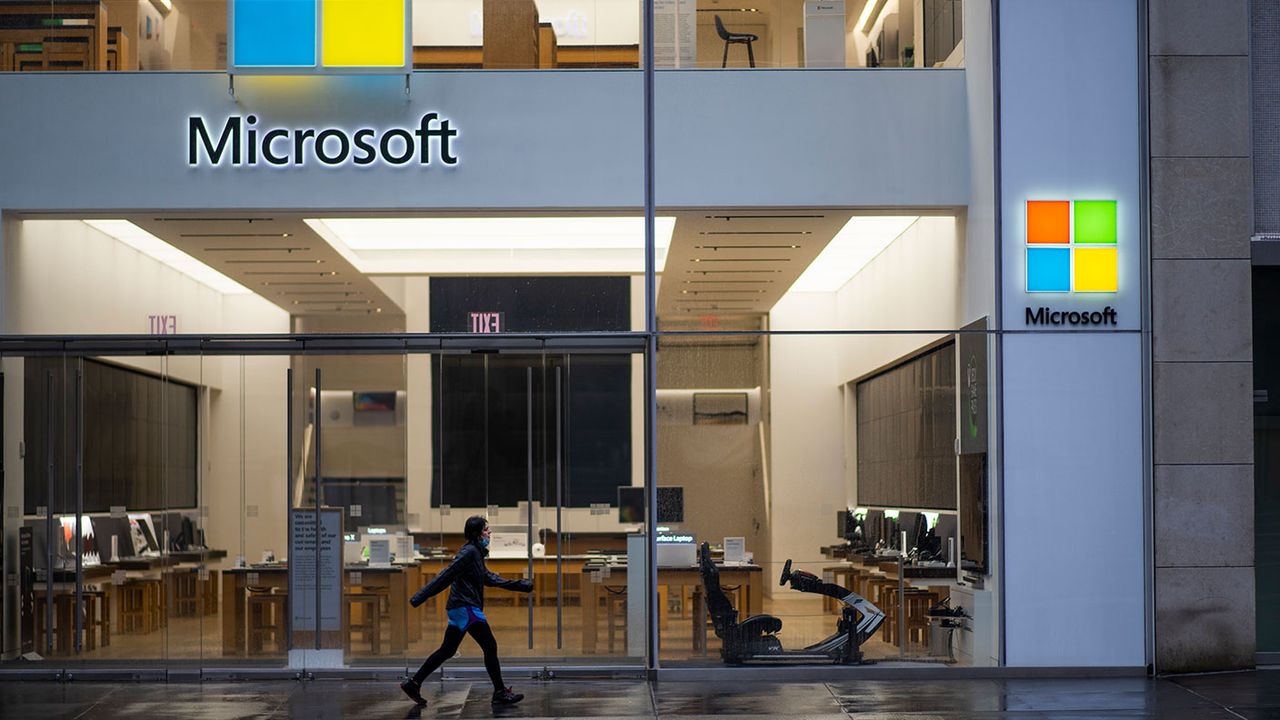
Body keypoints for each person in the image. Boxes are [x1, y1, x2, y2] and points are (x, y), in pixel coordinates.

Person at [400, 515, 533, 707]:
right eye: (486, 530)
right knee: (490, 646)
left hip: (460, 608)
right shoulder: (469, 552)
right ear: (477, 533)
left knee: (447, 650)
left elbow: (488, 577)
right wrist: (420, 597)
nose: (490, 533)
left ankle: (414, 683)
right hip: (466, 607)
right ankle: (500, 692)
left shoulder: (476, 553)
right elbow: (446, 575)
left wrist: (521, 585)